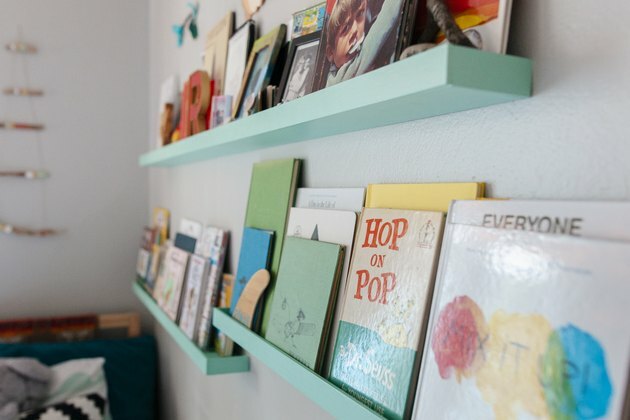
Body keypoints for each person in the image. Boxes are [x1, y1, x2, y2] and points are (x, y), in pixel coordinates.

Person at [324, 0, 403, 88]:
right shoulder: (340, 78)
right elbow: (386, 19)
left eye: (359, 14)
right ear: (331, 53)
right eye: (345, 28)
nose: (355, 30)